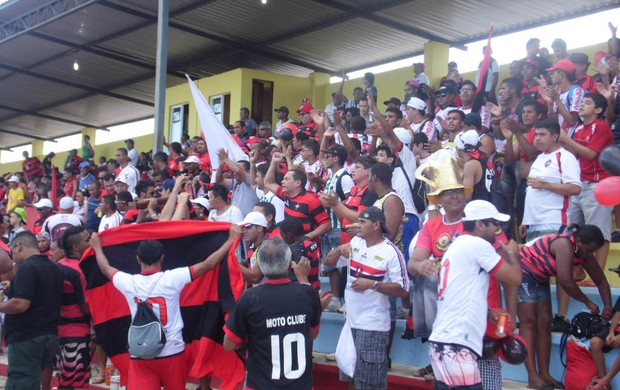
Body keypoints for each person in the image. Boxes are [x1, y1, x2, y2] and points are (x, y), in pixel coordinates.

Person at [90, 225, 240, 390]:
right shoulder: (172, 278)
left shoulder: (128, 282)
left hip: (141, 352)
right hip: (172, 351)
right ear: (162, 258)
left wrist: (97, 246)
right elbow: (208, 264)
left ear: (138, 259)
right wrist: (230, 240)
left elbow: (105, 268)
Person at [415, 200, 522, 389]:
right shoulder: (477, 245)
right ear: (480, 224)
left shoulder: (456, 246)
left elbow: (460, 290)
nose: (498, 231)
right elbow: (514, 278)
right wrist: (512, 253)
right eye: (495, 224)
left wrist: (486, 311)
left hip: (443, 341)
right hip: (458, 343)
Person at [514, 224, 612, 389]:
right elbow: (566, 281)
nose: (589, 254)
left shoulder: (583, 252)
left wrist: (608, 305)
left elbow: (601, 280)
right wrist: (587, 302)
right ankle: (533, 377)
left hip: (540, 276)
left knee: (545, 322)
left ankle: (544, 374)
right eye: (588, 250)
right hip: (523, 271)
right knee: (529, 321)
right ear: (578, 240)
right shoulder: (564, 244)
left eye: (592, 251)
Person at [325, 207, 409, 390]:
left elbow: (403, 289)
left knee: (371, 383)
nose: (358, 225)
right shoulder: (354, 242)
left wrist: (373, 285)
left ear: (376, 225)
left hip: (373, 326)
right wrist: (340, 249)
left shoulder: (390, 252)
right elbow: (328, 263)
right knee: (350, 377)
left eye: (363, 222)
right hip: (351, 323)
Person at [223, 237, 321, 389]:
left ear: (260, 266)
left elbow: (229, 344)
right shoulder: (308, 293)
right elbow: (312, 334)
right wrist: (303, 278)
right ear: (290, 265)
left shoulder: (250, 298)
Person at [1, 231, 64, 389]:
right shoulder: (54, 267)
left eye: (12, 251)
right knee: (32, 380)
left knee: (21, 381)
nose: (12, 256)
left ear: (19, 246)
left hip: (27, 337)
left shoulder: (28, 267)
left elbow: (20, 304)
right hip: (48, 335)